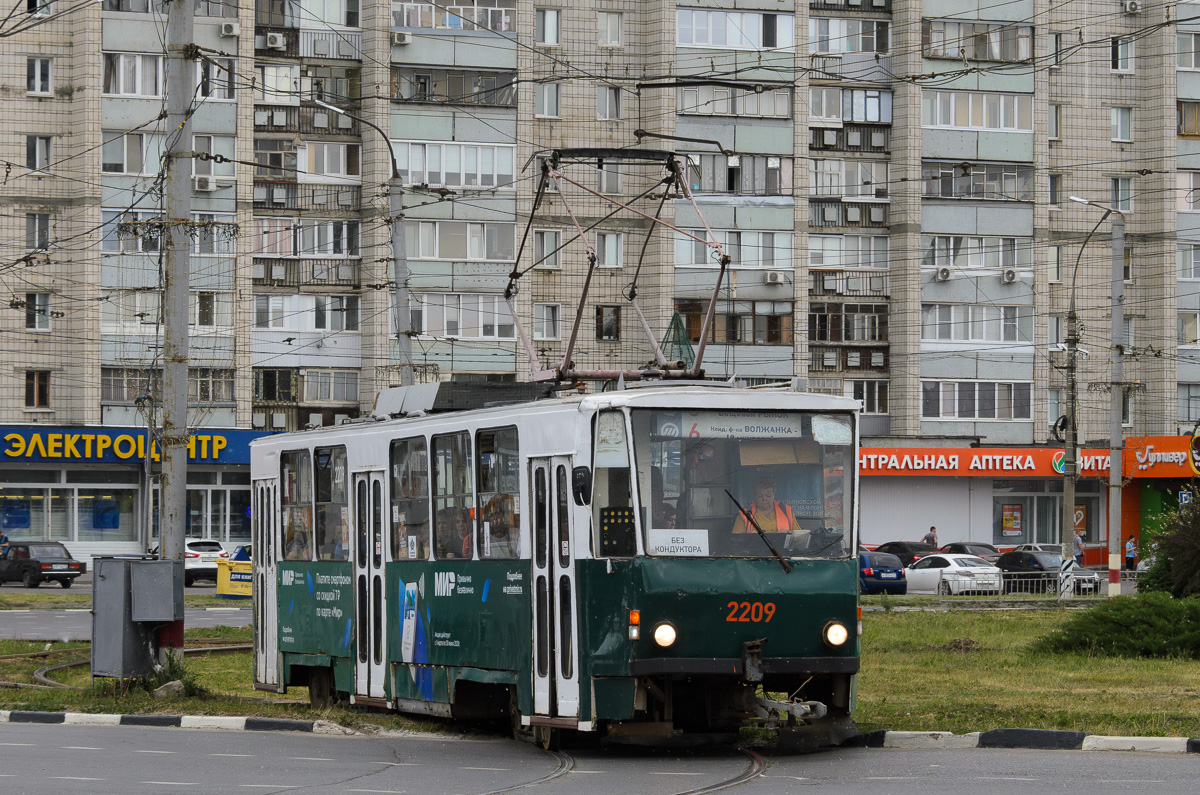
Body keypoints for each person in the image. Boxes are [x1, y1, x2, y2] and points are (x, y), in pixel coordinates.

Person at [733, 476, 799, 534]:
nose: (764, 499)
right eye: (760, 496)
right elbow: (736, 540)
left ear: (774, 495)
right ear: (754, 496)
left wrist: (788, 533)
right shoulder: (744, 514)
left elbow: (799, 536)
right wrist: (750, 537)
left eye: (768, 496)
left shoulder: (786, 510)